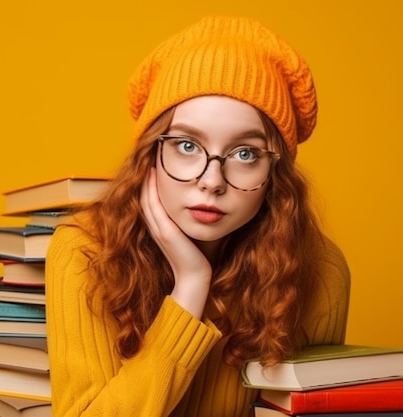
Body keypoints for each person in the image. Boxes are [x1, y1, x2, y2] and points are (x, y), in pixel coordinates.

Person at [46, 15, 351, 417]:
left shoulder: (319, 271)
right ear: (151, 155)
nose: (212, 181)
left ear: (275, 173)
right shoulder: (83, 252)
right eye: (187, 146)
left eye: (245, 154)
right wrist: (190, 288)